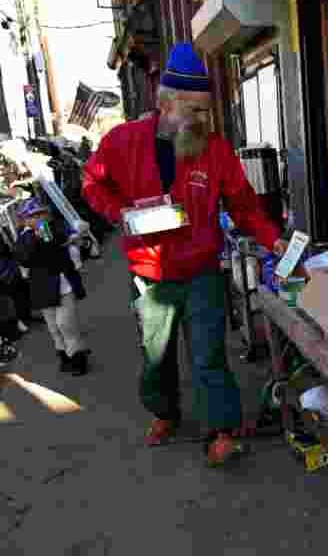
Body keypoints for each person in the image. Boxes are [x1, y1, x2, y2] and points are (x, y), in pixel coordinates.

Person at [82, 42, 288, 467]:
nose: (203, 120)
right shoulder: (122, 142)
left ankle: (221, 429)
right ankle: (164, 412)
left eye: (206, 111)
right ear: (167, 102)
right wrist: (119, 213)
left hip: (201, 271)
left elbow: (244, 205)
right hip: (149, 274)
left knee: (208, 354)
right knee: (156, 356)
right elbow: (92, 183)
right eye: (194, 111)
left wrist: (274, 240)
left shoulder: (214, 150)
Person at [12, 198, 91, 376]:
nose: (39, 218)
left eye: (41, 213)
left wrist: (78, 234)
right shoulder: (23, 238)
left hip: (64, 284)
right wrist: (35, 238)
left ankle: (78, 358)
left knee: (66, 324)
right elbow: (24, 259)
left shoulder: (56, 227)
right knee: (54, 327)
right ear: (25, 219)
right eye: (33, 215)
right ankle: (65, 357)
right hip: (43, 287)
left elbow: (72, 235)